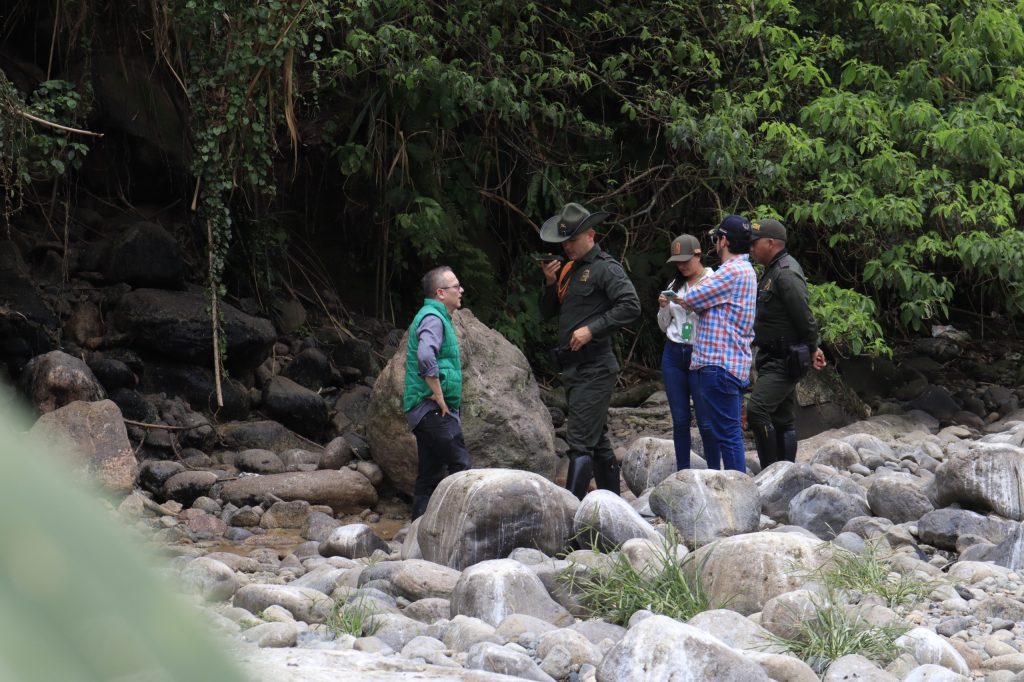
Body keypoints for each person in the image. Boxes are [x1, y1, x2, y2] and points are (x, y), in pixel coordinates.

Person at [538, 202, 641, 499]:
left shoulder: (606, 268)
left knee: (579, 441)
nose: (567, 246)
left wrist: (591, 329)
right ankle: (614, 507)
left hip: (596, 367)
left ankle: (571, 515)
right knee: (597, 442)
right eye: (564, 241)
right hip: (573, 368)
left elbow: (631, 305)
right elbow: (548, 312)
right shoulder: (570, 270)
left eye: (572, 239)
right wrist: (549, 282)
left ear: (591, 234)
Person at [677, 215, 757, 472]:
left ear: (724, 241)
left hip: (719, 364)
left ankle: (738, 488)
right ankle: (739, 485)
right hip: (733, 363)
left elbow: (693, 296)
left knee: (728, 434)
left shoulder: (731, 271)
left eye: (716, 238)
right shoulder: (748, 270)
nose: (715, 243)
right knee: (730, 431)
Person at [747, 218, 827, 466]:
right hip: (774, 356)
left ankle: (771, 471)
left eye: (754, 242)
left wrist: (813, 347)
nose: (750, 247)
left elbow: (804, 315)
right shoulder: (773, 269)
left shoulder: (785, 273)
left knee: (757, 410)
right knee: (782, 418)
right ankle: (785, 472)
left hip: (785, 358)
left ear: (770, 243)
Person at [403, 265, 472, 519]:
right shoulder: (433, 317)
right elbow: (425, 355)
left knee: (430, 475)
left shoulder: (436, 316)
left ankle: (416, 536)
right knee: (461, 466)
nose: (461, 290)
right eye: (456, 286)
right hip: (431, 408)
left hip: (425, 410)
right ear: (441, 293)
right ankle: (461, 527)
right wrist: (439, 395)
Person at [657, 234, 713, 470]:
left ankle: (713, 472)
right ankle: (683, 471)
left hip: (700, 353)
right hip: (673, 353)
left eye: (686, 260)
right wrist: (663, 308)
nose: (681, 265)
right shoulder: (674, 285)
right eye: (677, 261)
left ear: (698, 255)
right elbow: (663, 325)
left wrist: (691, 305)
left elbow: (716, 319)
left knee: (706, 421)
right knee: (680, 420)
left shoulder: (713, 280)